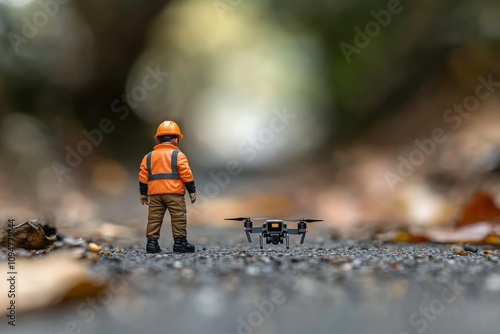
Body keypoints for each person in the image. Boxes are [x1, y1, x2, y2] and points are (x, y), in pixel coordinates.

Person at [139, 120, 197, 253]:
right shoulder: (178, 155)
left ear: (158, 140)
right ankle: (180, 243)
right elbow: (186, 173)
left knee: (154, 218)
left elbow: (143, 175)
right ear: (176, 140)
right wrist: (191, 190)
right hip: (174, 194)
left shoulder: (148, 157)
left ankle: (151, 244)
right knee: (178, 217)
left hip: (155, 194)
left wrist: (143, 193)